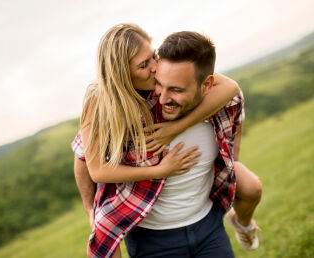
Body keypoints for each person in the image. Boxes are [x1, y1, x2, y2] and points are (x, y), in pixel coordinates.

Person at [72, 24, 260, 257]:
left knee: (252, 187)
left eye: (153, 57)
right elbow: (89, 164)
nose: (154, 68)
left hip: (205, 221)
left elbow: (230, 88)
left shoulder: (165, 80)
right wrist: (90, 208)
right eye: (143, 65)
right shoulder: (102, 104)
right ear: (122, 74)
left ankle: (243, 223)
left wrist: (174, 129)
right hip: (149, 232)